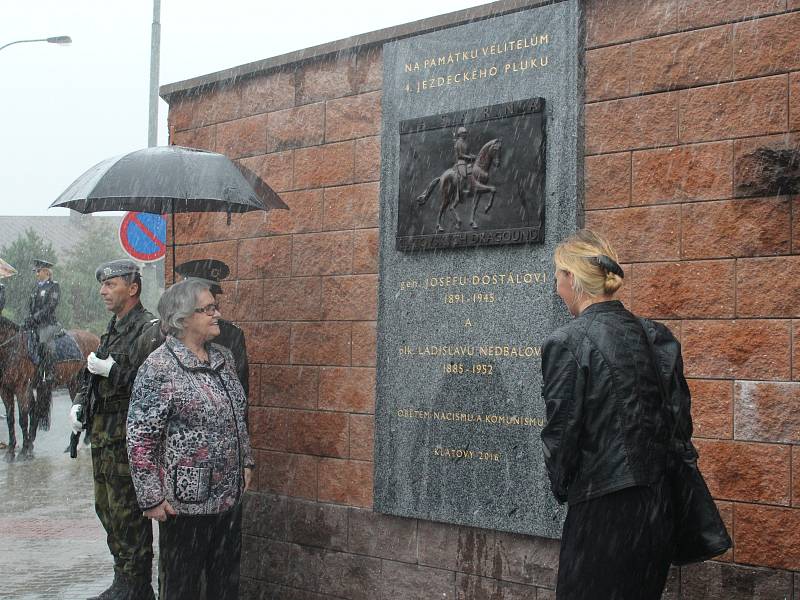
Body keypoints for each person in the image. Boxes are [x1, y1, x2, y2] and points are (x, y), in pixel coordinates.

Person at [540, 229, 679, 600]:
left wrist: (563, 484)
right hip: (656, 504)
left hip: (602, 508)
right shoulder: (655, 335)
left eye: (557, 277)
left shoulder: (567, 342)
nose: (556, 287)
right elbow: (678, 421)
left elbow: (562, 432)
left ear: (572, 278)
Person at [127, 279, 254, 600]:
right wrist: (151, 498)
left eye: (215, 307)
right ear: (183, 318)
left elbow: (237, 415)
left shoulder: (223, 358)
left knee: (225, 583)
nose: (217, 314)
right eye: (208, 309)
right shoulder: (160, 368)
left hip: (228, 498)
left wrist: (246, 461)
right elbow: (140, 438)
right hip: (184, 504)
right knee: (181, 586)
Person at [70, 259, 157, 600]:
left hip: (128, 441)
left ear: (132, 288)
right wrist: (79, 403)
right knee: (107, 509)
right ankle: (123, 579)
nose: (103, 291)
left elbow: (152, 388)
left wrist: (114, 371)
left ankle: (137, 586)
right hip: (104, 437)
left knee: (129, 514)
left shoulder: (148, 329)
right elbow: (90, 376)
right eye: (103, 285)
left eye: (111, 284)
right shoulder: (112, 327)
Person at [135, 259, 248, 396]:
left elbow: (240, 393)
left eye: (212, 294)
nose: (211, 298)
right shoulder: (161, 331)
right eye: (200, 293)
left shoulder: (229, 335)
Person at [24, 259, 62, 383]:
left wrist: (36, 317)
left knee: (44, 342)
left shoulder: (53, 286)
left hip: (48, 323)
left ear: (46, 271)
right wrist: (30, 318)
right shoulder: (36, 288)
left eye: (38, 271)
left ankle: (49, 371)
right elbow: (32, 306)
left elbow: (51, 306)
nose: (36, 274)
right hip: (35, 323)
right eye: (36, 271)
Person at [453, 126, 475, 197]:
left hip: (467, 162)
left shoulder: (465, 143)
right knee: (464, 175)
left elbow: (468, 153)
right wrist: (469, 157)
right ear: (460, 134)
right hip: (461, 162)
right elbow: (460, 155)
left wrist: (474, 156)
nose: (465, 134)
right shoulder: (458, 143)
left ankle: (472, 187)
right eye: (464, 133)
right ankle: (461, 190)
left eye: (466, 133)